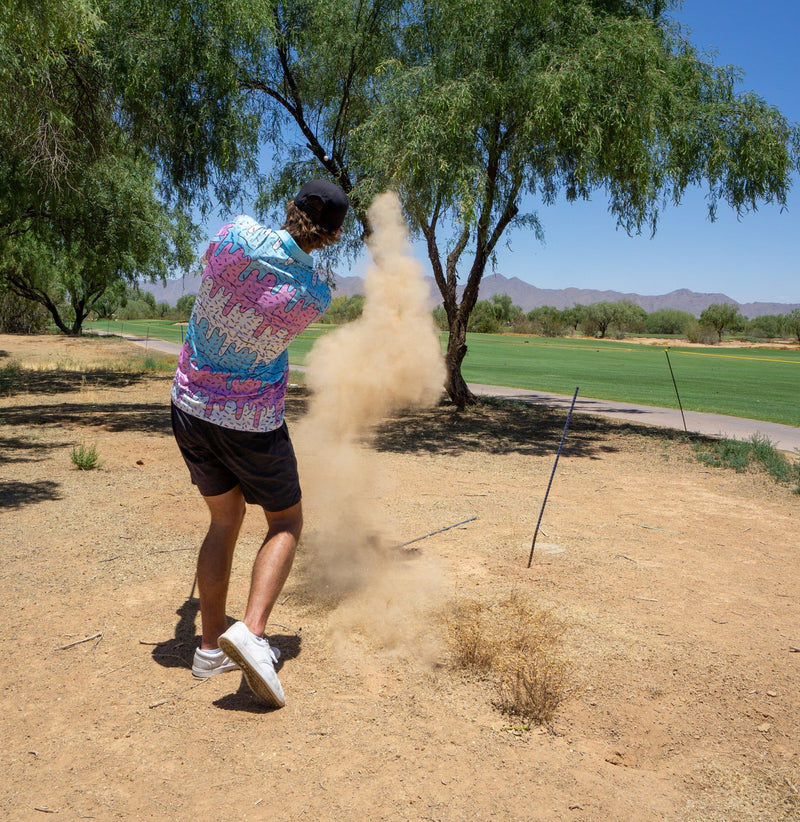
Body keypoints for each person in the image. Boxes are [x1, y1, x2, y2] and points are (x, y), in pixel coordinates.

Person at [170, 180, 349, 707]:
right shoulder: (314, 295)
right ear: (333, 236)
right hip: (252, 421)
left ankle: (208, 649)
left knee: (224, 520)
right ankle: (251, 631)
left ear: (290, 208)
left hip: (190, 406)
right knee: (286, 522)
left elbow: (217, 268)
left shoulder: (234, 236)